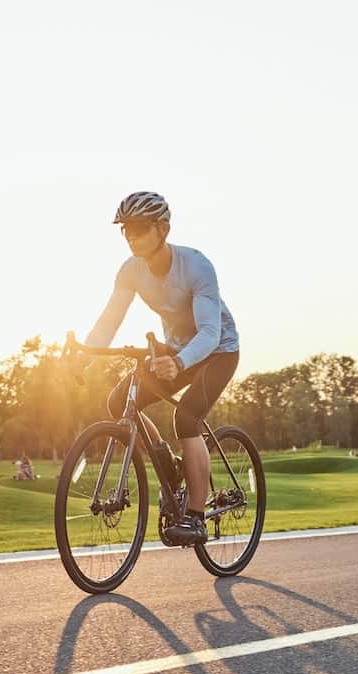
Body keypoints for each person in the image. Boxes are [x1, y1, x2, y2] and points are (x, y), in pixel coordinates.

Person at [83, 191, 240, 547]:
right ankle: (166, 462)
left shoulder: (196, 266)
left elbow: (210, 333)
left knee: (186, 419)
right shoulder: (130, 271)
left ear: (163, 228)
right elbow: (109, 320)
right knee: (119, 401)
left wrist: (180, 362)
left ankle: (196, 517)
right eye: (125, 230)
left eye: (139, 228)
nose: (131, 237)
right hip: (176, 350)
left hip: (218, 351)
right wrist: (83, 358)